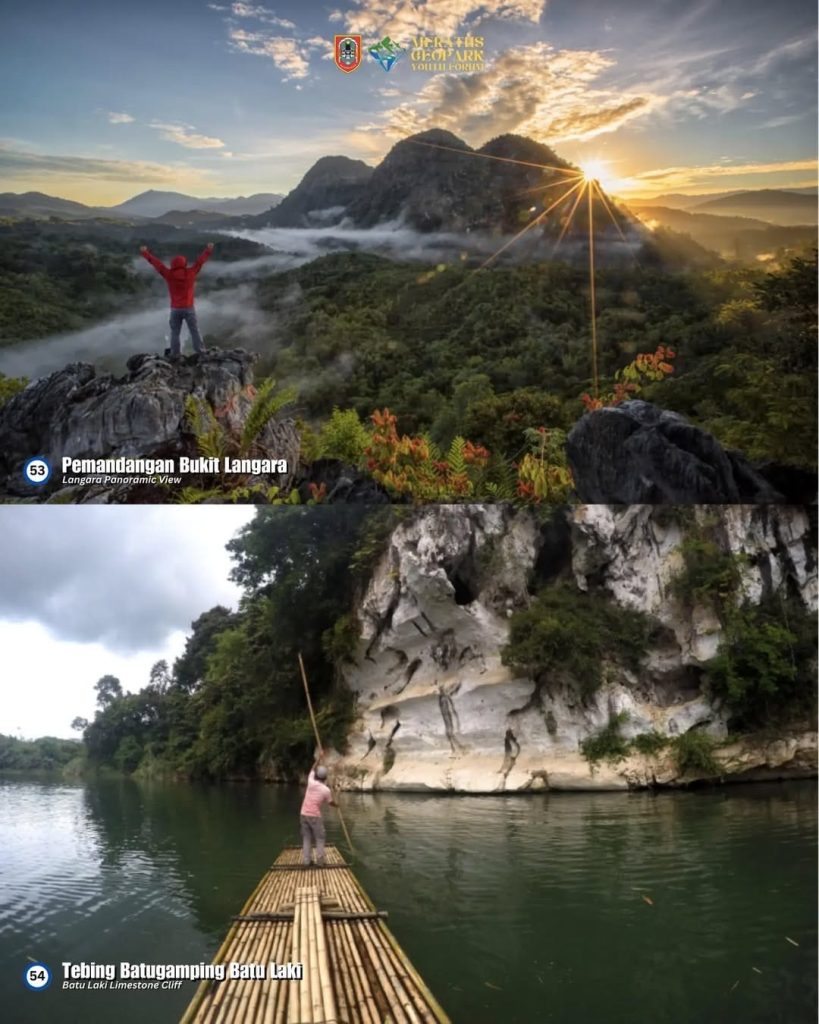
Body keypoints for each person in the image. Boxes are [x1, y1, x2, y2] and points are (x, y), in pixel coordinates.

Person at [139, 242, 214, 359]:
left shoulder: (169, 274)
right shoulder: (190, 273)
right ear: (184, 263)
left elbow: (157, 264)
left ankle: (175, 354)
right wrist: (208, 250)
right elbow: (200, 262)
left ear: (173, 264)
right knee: (194, 330)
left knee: (175, 332)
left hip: (175, 309)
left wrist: (145, 253)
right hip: (189, 308)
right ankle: (201, 352)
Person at [300, 755, 335, 866]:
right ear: (325, 778)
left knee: (307, 838)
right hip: (315, 816)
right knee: (320, 838)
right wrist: (337, 805)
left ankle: (307, 861)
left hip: (303, 814)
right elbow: (330, 803)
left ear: (316, 775)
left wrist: (318, 759)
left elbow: (312, 769)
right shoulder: (326, 790)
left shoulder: (310, 782)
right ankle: (320, 862)